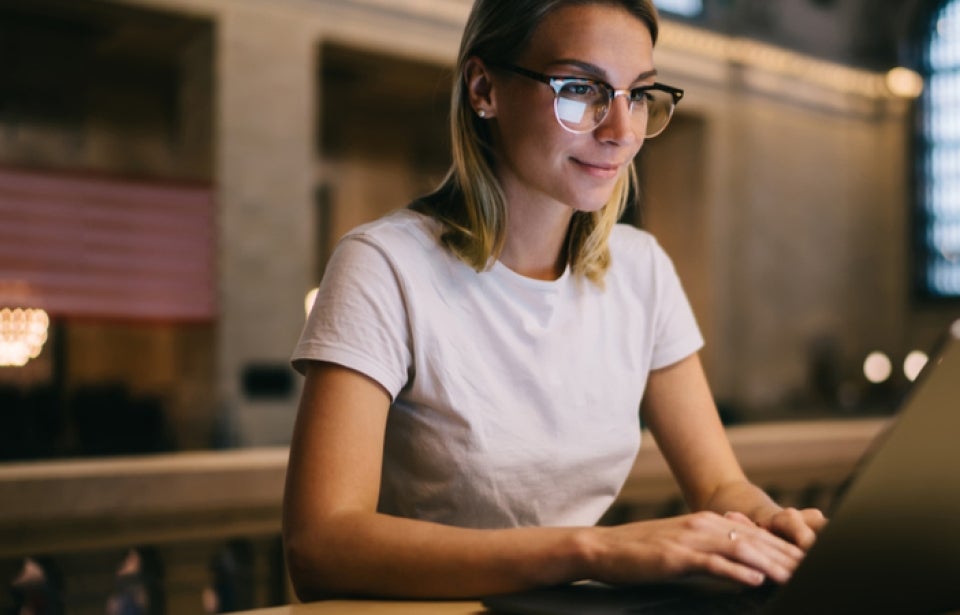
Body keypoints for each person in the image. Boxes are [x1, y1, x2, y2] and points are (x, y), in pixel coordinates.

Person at [283, 0, 826, 601]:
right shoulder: (384, 265)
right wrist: (594, 549)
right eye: (580, 88)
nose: (621, 131)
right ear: (484, 88)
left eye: (638, 95)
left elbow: (722, 487)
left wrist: (773, 523)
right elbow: (321, 546)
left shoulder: (641, 268)